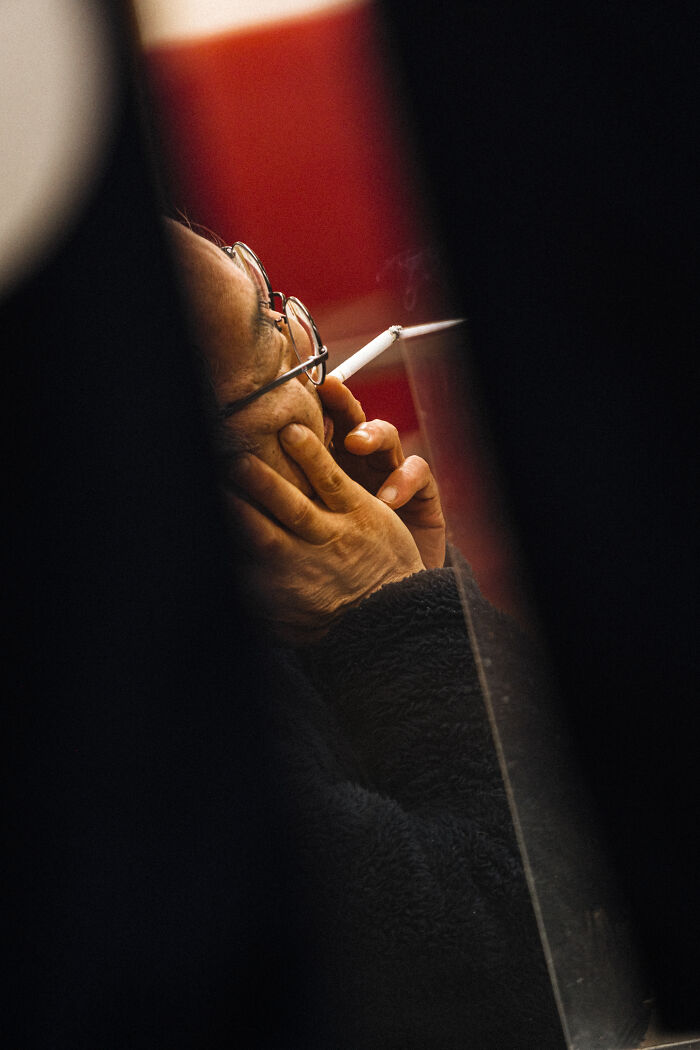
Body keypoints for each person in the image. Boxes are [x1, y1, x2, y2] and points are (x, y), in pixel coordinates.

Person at [167, 220, 563, 1047]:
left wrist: (424, 587)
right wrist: (397, 621)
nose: (308, 350)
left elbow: (566, 798)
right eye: (268, 337)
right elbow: (542, 957)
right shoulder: (166, 719)